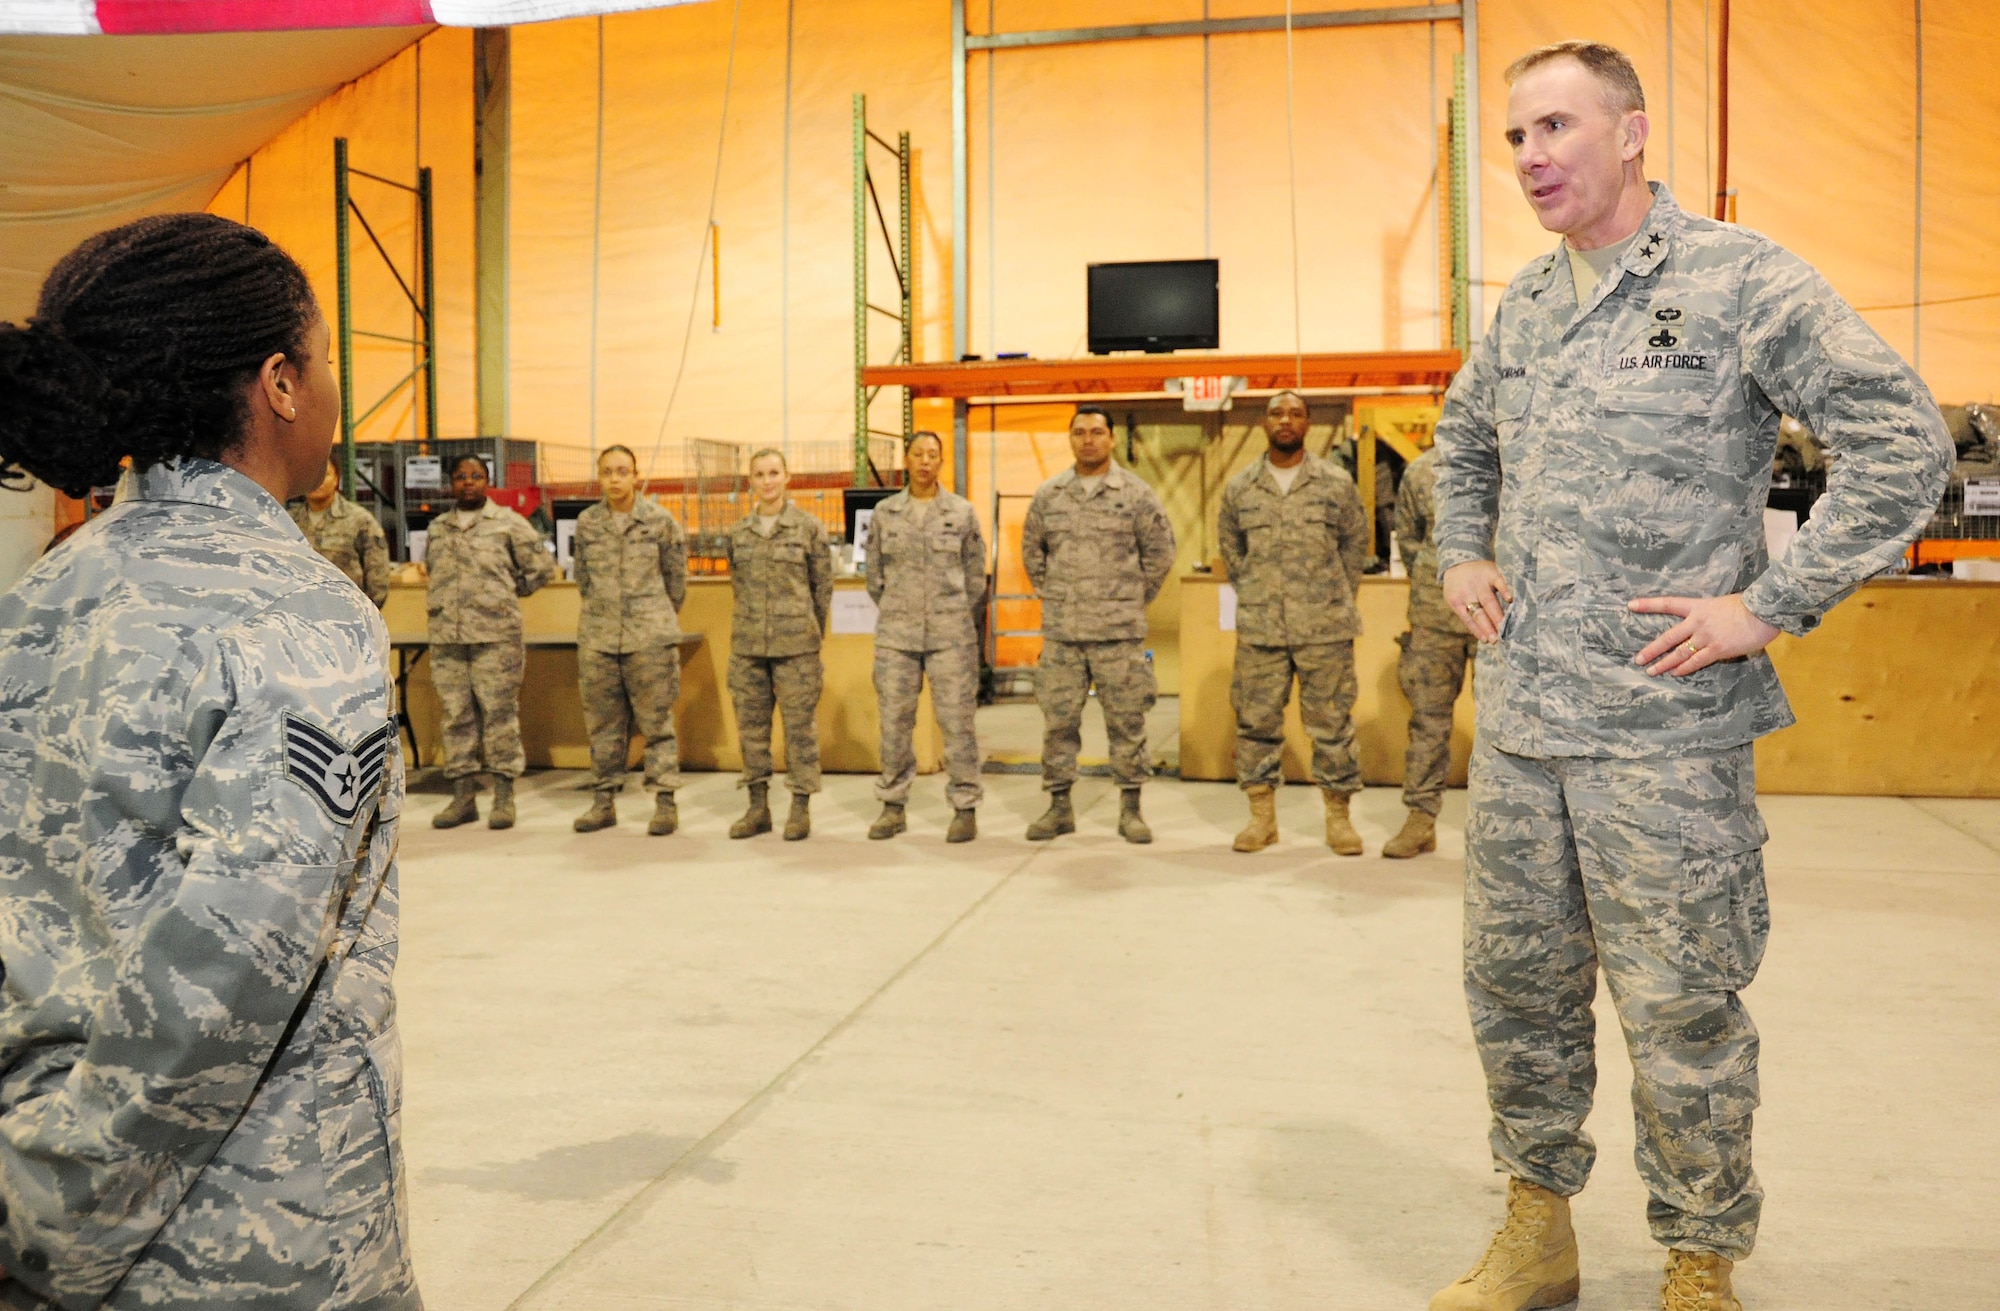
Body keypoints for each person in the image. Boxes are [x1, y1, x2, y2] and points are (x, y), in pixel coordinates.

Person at [1428, 42, 1952, 1311]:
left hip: (1664, 734)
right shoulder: (1526, 304)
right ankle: (1535, 1231)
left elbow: (1902, 442)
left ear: (1630, 132)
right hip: (1522, 733)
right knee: (1517, 993)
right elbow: (1455, 441)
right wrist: (1455, 552)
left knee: (1679, 1009)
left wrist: (1766, 604)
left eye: (1555, 127)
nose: (1531, 157)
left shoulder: (1737, 281)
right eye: (1513, 138)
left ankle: (1696, 1260)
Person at [0, 213, 420, 1308]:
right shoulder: (297, 617)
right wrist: (62, 1218)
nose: (327, 389)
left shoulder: (44, 596)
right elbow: (227, 974)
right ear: (280, 382)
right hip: (241, 1238)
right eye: (320, 361)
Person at [1215, 390, 1370, 854]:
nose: (1286, 420)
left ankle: (1339, 821)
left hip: (1325, 629)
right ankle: (1262, 819)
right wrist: (1261, 594)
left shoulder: (1335, 483)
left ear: (1307, 424)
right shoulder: (1241, 487)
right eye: (1277, 413)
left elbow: (1354, 547)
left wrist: (1329, 597)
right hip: (1261, 630)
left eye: (1296, 414)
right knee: (1256, 723)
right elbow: (1232, 551)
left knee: (1332, 724)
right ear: (1264, 422)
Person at [1020, 405, 1176, 843]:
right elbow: (1033, 552)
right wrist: (1058, 596)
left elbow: (1160, 553)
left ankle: (1131, 810)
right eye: (1079, 432)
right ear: (1070, 439)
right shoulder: (1050, 495)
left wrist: (1127, 600)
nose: (1088, 439)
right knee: (1058, 723)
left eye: (1096, 432)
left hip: (1118, 633)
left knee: (1127, 723)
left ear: (1111, 439)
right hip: (1064, 635)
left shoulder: (1136, 494)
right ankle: (1059, 807)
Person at [864, 430, 987, 843]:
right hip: (897, 636)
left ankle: (965, 806)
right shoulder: (885, 513)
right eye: (918, 454)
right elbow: (874, 577)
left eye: (932, 455)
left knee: (957, 724)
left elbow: (975, 576)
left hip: (951, 635)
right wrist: (902, 608)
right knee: (895, 724)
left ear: (940, 462)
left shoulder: (961, 512)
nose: (924, 462)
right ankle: (892, 806)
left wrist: (949, 612)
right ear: (907, 459)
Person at [424, 454, 556, 830]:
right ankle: (463, 796)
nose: (469, 482)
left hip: (496, 637)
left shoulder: (508, 524)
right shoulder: (438, 528)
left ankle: (503, 795)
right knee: (456, 717)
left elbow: (542, 569)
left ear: (488, 481)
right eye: (462, 476)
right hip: (448, 638)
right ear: (452, 482)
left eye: (477, 476)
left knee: (499, 715)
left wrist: (505, 595)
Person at [571, 444, 688, 835]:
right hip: (599, 638)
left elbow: (676, 581)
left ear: (636, 475)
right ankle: (603, 802)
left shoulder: (659, 521)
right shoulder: (587, 523)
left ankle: (665, 803)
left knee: (657, 725)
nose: (615, 479)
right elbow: (583, 579)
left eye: (623, 471)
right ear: (599, 477)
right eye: (608, 471)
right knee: (602, 726)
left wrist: (652, 617)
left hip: (649, 637)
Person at [725, 447, 831, 841]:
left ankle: (800, 807)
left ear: (788, 478)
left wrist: (810, 633)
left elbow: (822, 589)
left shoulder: (808, 528)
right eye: (759, 474)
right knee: (751, 731)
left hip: (797, 648)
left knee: (799, 730)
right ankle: (757, 808)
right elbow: (738, 584)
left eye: (774, 473)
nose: (767, 481)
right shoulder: (738, 533)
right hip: (748, 648)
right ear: (750, 481)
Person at [1383, 444, 1476, 859]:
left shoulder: (1519, 459)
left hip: (1502, 617)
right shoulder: (1421, 471)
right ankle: (1420, 820)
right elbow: (1409, 539)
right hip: (1434, 616)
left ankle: (1501, 831)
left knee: (1508, 728)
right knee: (1427, 722)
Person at [292, 453, 393, 607]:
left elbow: (378, 579)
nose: (317, 482)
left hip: (346, 615)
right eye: (310, 475)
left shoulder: (360, 521)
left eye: (324, 475)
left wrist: (364, 614)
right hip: (300, 616)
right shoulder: (288, 522)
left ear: (337, 479)